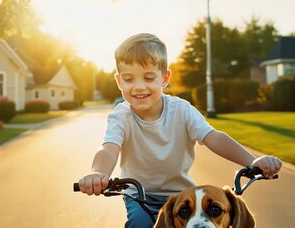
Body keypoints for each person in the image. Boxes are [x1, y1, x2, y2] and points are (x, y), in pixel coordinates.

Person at [78, 33, 282, 228]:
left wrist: (251, 161)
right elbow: (108, 148)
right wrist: (98, 173)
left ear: (165, 78)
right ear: (119, 81)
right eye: (129, 79)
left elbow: (214, 138)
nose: (139, 87)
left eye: (149, 78)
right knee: (139, 224)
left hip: (182, 194)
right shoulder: (121, 116)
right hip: (141, 196)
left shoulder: (182, 110)